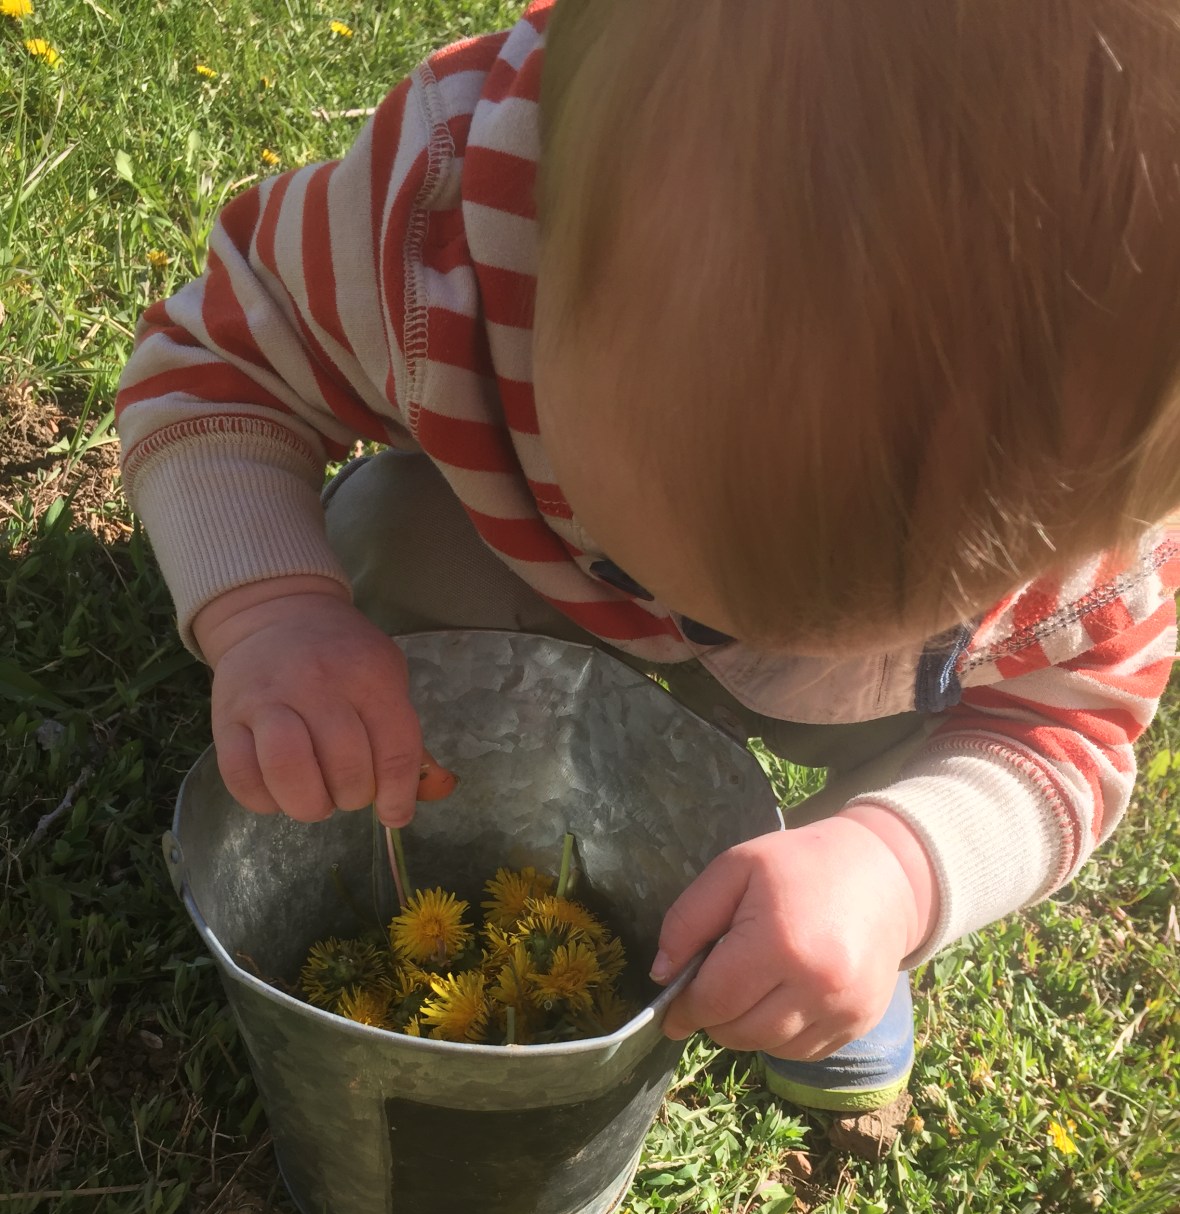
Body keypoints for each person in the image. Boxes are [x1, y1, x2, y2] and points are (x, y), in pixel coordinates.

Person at [116, 0, 1180, 1148]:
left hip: (876, 727)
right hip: (510, 557)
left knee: (888, 825)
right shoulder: (439, 244)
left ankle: (825, 918)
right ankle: (474, 774)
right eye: (662, 549)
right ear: (543, 291)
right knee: (391, 528)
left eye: (858, 610)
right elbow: (214, 368)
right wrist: (275, 612)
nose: (723, 632)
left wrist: (895, 867)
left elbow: (1061, 740)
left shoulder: (1083, 552)